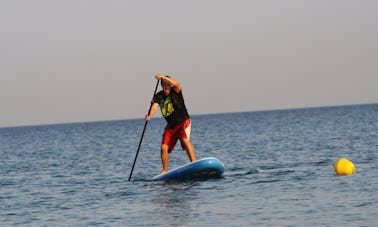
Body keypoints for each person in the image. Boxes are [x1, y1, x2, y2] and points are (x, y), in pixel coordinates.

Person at [145, 74, 196, 174]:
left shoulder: (176, 90)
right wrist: (150, 115)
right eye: (164, 84)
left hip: (183, 121)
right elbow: (155, 106)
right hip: (171, 126)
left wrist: (163, 77)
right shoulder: (159, 96)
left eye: (168, 83)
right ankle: (165, 170)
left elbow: (176, 83)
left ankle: (194, 163)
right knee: (164, 147)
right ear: (162, 85)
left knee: (185, 141)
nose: (167, 85)